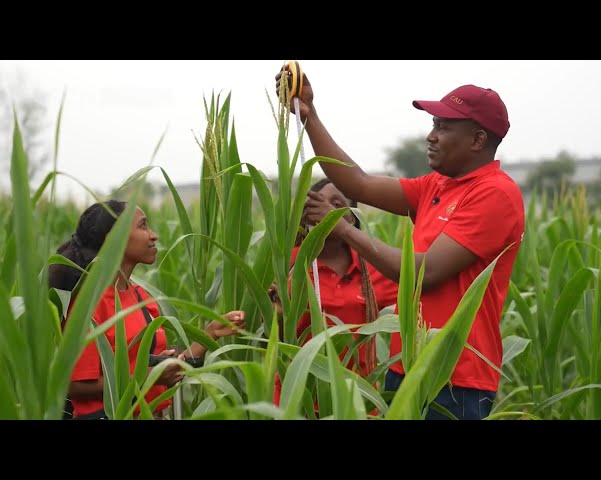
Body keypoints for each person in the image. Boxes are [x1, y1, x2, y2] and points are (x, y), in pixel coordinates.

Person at [276, 67, 525, 420]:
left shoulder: (495, 194)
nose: (431, 136)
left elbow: (427, 271)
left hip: (455, 380)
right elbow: (358, 183)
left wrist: (342, 228)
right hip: (405, 366)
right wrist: (310, 117)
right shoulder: (435, 187)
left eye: (443, 127)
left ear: (478, 140)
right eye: (434, 125)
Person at [49, 200, 245, 419]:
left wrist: (211, 333)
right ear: (115, 240)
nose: (153, 235)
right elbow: (73, 385)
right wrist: (147, 377)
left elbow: (157, 365)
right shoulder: (89, 302)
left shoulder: (141, 296)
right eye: (143, 226)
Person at [270, 178, 399, 407]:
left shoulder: (373, 269)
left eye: (337, 204)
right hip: (298, 400)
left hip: (357, 400)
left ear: (353, 218)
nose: (327, 211)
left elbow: (417, 307)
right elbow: (264, 338)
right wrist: (277, 316)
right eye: (320, 203)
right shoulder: (287, 265)